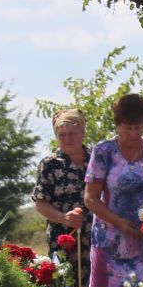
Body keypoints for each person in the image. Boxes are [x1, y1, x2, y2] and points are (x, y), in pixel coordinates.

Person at [83, 94, 143, 287]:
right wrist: (119, 223)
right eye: (127, 127)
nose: (133, 133)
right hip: (110, 240)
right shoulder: (103, 152)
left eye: (138, 127)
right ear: (118, 125)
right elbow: (90, 198)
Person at [32, 109, 90, 274]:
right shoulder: (49, 164)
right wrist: (63, 218)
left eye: (72, 133)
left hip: (97, 238)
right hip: (64, 239)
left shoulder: (97, 159)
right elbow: (40, 202)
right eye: (61, 135)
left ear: (82, 133)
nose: (67, 139)